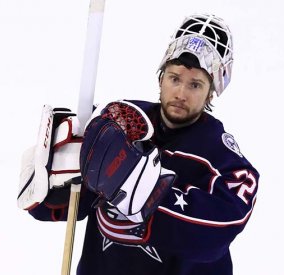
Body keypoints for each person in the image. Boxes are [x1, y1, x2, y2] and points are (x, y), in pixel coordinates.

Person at [18, 13, 259, 275]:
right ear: (160, 78)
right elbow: (63, 206)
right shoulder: (116, 125)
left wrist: (146, 192)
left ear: (212, 91)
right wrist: (49, 184)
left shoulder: (222, 159)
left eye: (195, 85)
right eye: (174, 78)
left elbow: (218, 234)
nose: (180, 93)